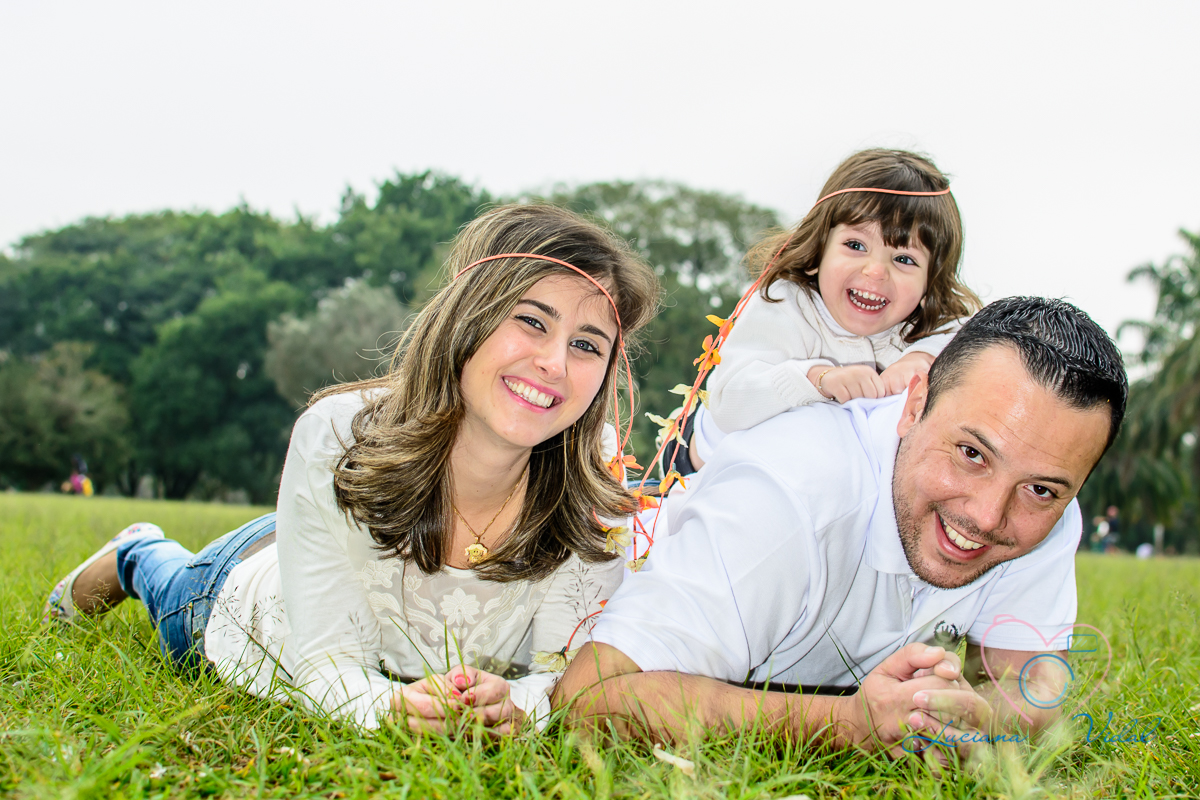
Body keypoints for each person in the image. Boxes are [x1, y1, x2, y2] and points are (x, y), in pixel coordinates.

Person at [43, 204, 660, 733]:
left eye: (586, 345)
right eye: (531, 320)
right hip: (254, 597)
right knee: (175, 594)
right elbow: (324, 664)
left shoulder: (596, 473)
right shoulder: (339, 433)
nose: (555, 362)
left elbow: (560, 670)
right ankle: (136, 551)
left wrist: (519, 707)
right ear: (468, 317)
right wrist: (389, 707)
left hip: (335, 553)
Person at [556, 297, 1127, 758]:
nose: (986, 516)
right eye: (972, 453)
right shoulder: (787, 497)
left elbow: (1034, 684)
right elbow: (586, 700)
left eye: (1043, 490)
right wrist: (845, 723)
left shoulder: (1044, 506)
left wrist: (971, 715)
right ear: (914, 403)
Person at [664, 149, 980, 477]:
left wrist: (921, 359)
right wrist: (817, 379)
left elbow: (976, 338)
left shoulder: (925, 328)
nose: (875, 271)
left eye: (904, 259)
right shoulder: (785, 302)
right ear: (818, 251)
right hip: (700, 468)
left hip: (811, 480)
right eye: (856, 245)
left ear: (931, 281)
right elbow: (728, 405)